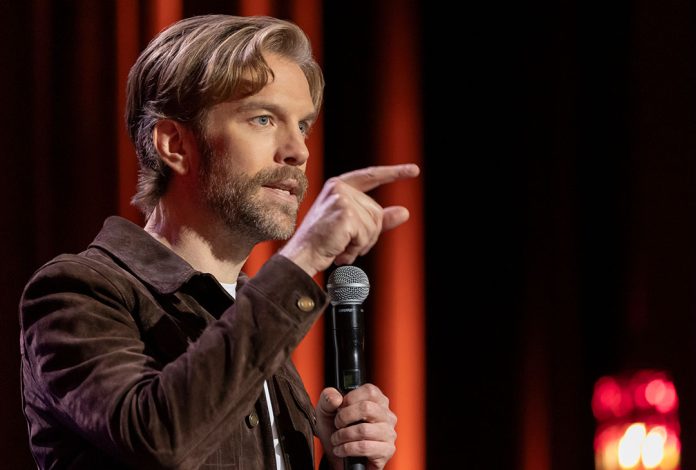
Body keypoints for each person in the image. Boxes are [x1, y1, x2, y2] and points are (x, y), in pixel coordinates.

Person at [19, 14, 418, 470]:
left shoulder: (250, 310)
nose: (299, 151)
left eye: (303, 125)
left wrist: (339, 459)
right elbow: (157, 440)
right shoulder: (79, 291)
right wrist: (303, 257)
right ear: (175, 145)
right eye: (264, 118)